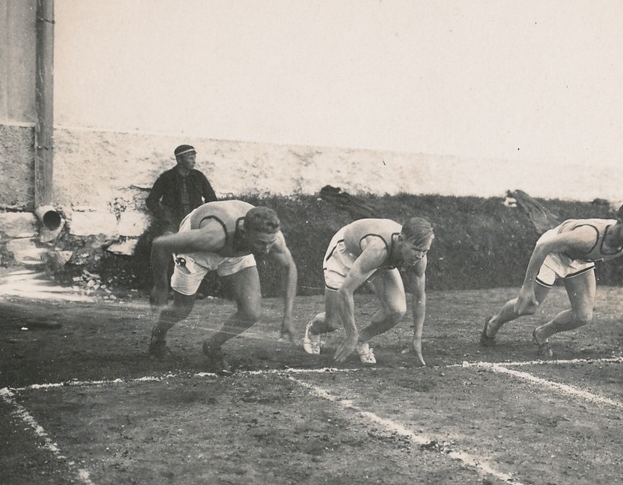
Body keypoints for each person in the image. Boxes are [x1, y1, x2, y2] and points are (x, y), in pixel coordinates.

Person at [478, 200, 623, 358]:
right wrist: (527, 287)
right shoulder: (589, 236)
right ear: (620, 222)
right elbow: (543, 247)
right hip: (552, 252)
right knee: (529, 306)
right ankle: (493, 323)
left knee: (583, 315)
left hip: (580, 259)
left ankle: (541, 333)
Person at [148, 201, 298, 372]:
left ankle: (213, 346)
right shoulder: (211, 236)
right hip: (197, 252)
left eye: (269, 243)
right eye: (261, 243)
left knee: (251, 313)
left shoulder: (272, 239)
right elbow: (160, 244)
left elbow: (289, 267)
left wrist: (288, 316)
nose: (266, 250)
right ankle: (158, 335)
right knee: (182, 309)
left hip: (237, 251)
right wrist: (160, 285)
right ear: (243, 232)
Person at [303, 217, 434, 366]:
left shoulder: (420, 257)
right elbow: (345, 292)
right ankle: (313, 330)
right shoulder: (379, 249)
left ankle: (361, 340)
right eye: (416, 250)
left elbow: (419, 295)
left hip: (375, 260)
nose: (420, 256)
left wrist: (417, 338)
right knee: (332, 322)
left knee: (396, 310)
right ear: (401, 240)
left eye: (424, 251)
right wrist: (350, 335)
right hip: (346, 253)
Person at [146, 145, 218, 233]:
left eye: (194, 158)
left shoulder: (199, 177)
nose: (194, 161)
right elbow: (151, 200)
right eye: (190, 158)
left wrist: (204, 217)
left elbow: (212, 199)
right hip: (173, 222)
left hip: (194, 220)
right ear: (179, 160)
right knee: (170, 241)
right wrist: (165, 216)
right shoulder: (166, 177)